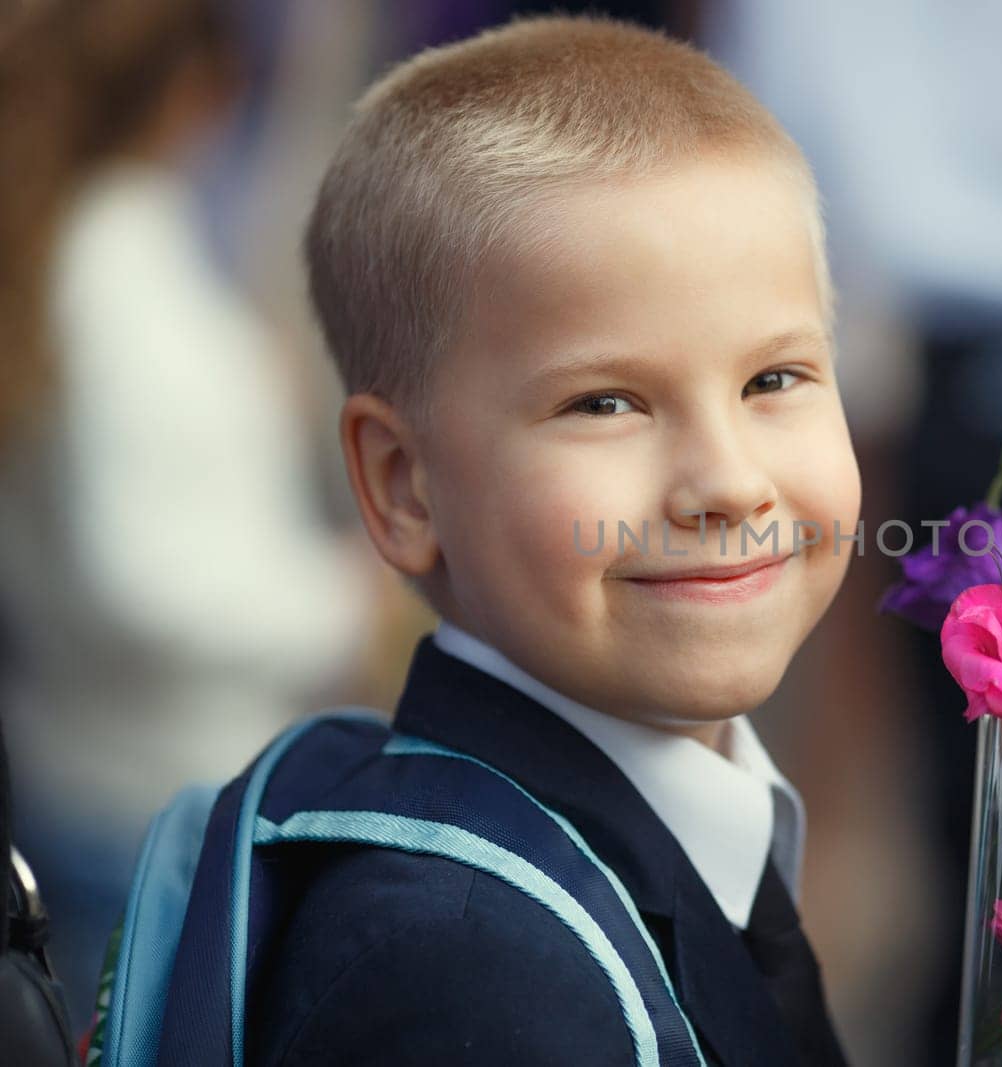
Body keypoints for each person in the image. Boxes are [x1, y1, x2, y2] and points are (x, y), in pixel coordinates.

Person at [243, 15, 860, 1065]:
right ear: (404, 483)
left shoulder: (649, 840)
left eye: (773, 379)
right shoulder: (466, 973)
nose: (727, 481)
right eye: (607, 402)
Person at [0, 0, 375, 1021]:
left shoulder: (91, 246)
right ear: (191, 87)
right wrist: (341, 599)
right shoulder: (113, 277)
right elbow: (134, 568)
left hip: (104, 762)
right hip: (140, 793)